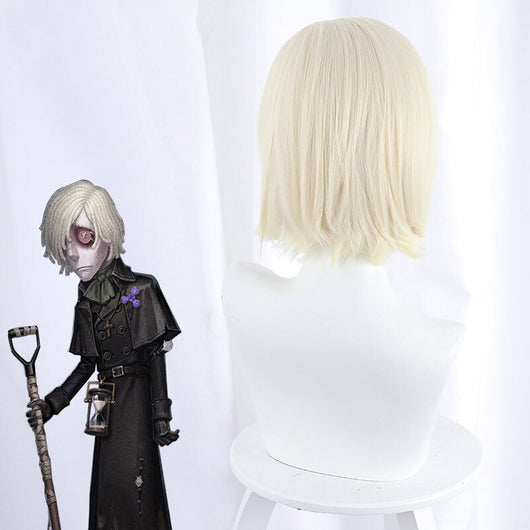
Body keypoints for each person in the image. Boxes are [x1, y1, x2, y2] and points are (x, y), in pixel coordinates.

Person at [28, 179, 180, 529]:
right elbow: (87, 364)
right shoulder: (86, 301)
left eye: (83, 237)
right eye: (66, 243)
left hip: (135, 402)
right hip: (105, 405)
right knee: (107, 488)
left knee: (135, 486)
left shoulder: (141, 289)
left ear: (107, 232)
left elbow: (156, 353)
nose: (73, 253)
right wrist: (52, 403)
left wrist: (161, 415)